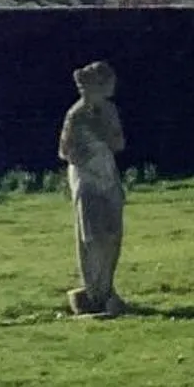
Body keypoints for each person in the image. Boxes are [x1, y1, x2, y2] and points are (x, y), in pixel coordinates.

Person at [58, 60, 126, 317]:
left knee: (113, 232)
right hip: (88, 177)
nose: (111, 87)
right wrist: (90, 151)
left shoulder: (109, 111)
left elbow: (119, 143)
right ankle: (95, 291)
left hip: (107, 173)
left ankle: (106, 288)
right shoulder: (76, 115)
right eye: (106, 83)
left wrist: (106, 135)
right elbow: (66, 151)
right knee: (92, 235)